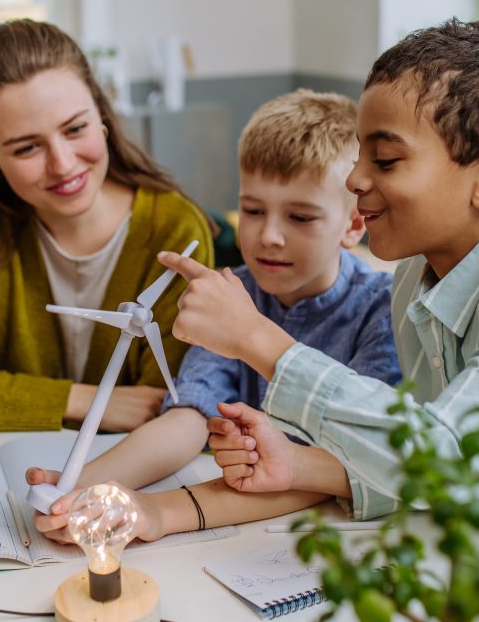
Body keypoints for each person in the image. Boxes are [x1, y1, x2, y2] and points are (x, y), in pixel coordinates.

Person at [161, 19, 479, 530]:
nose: (356, 178)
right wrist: (296, 465)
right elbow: (415, 461)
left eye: (385, 160)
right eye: (362, 155)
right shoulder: (415, 277)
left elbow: (449, 458)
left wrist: (256, 338)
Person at [28, 90, 400, 504]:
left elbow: (368, 456)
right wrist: (82, 484)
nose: (269, 236)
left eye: (299, 217)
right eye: (253, 211)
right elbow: (189, 416)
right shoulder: (229, 298)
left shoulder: (383, 310)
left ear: (353, 225)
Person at [0, 19, 214, 432]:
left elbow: (165, 406)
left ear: (102, 114)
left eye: (75, 129)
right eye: (26, 147)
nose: (63, 164)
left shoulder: (176, 229)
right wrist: (84, 399)